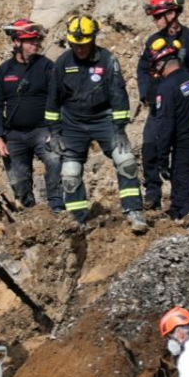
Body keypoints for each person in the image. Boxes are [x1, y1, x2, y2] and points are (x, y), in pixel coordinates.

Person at [45, 15, 146, 233]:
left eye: (84, 45)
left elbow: (118, 94)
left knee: (125, 160)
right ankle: (77, 220)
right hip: (73, 122)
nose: (80, 49)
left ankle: (134, 211)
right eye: (75, 45)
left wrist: (119, 128)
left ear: (93, 39)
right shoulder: (63, 62)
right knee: (70, 173)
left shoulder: (107, 59)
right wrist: (55, 132)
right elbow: (53, 99)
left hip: (103, 118)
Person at [137, 0, 189, 212]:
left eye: (158, 16)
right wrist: (146, 93)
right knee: (150, 146)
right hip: (160, 103)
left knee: (182, 156)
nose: (155, 21)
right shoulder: (153, 41)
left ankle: (181, 202)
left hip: (186, 106)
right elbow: (143, 70)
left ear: (172, 13)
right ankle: (153, 193)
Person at [0, 18, 62, 210]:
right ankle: (29, 211)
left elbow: (60, 98)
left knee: (55, 161)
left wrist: (56, 131)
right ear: (17, 42)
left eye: (36, 40)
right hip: (14, 135)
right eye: (30, 41)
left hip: (42, 130)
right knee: (19, 177)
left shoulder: (47, 67)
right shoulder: (5, 71)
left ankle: (57, 206)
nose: (35, 44)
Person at [147, 37, 189, 220]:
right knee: (178, 182)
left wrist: (162, 158)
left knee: (182, 188)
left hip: (186, 145)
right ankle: (175, 212)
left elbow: (165, 125)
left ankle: (188, 219)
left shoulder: (166, 88)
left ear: (161, 64)